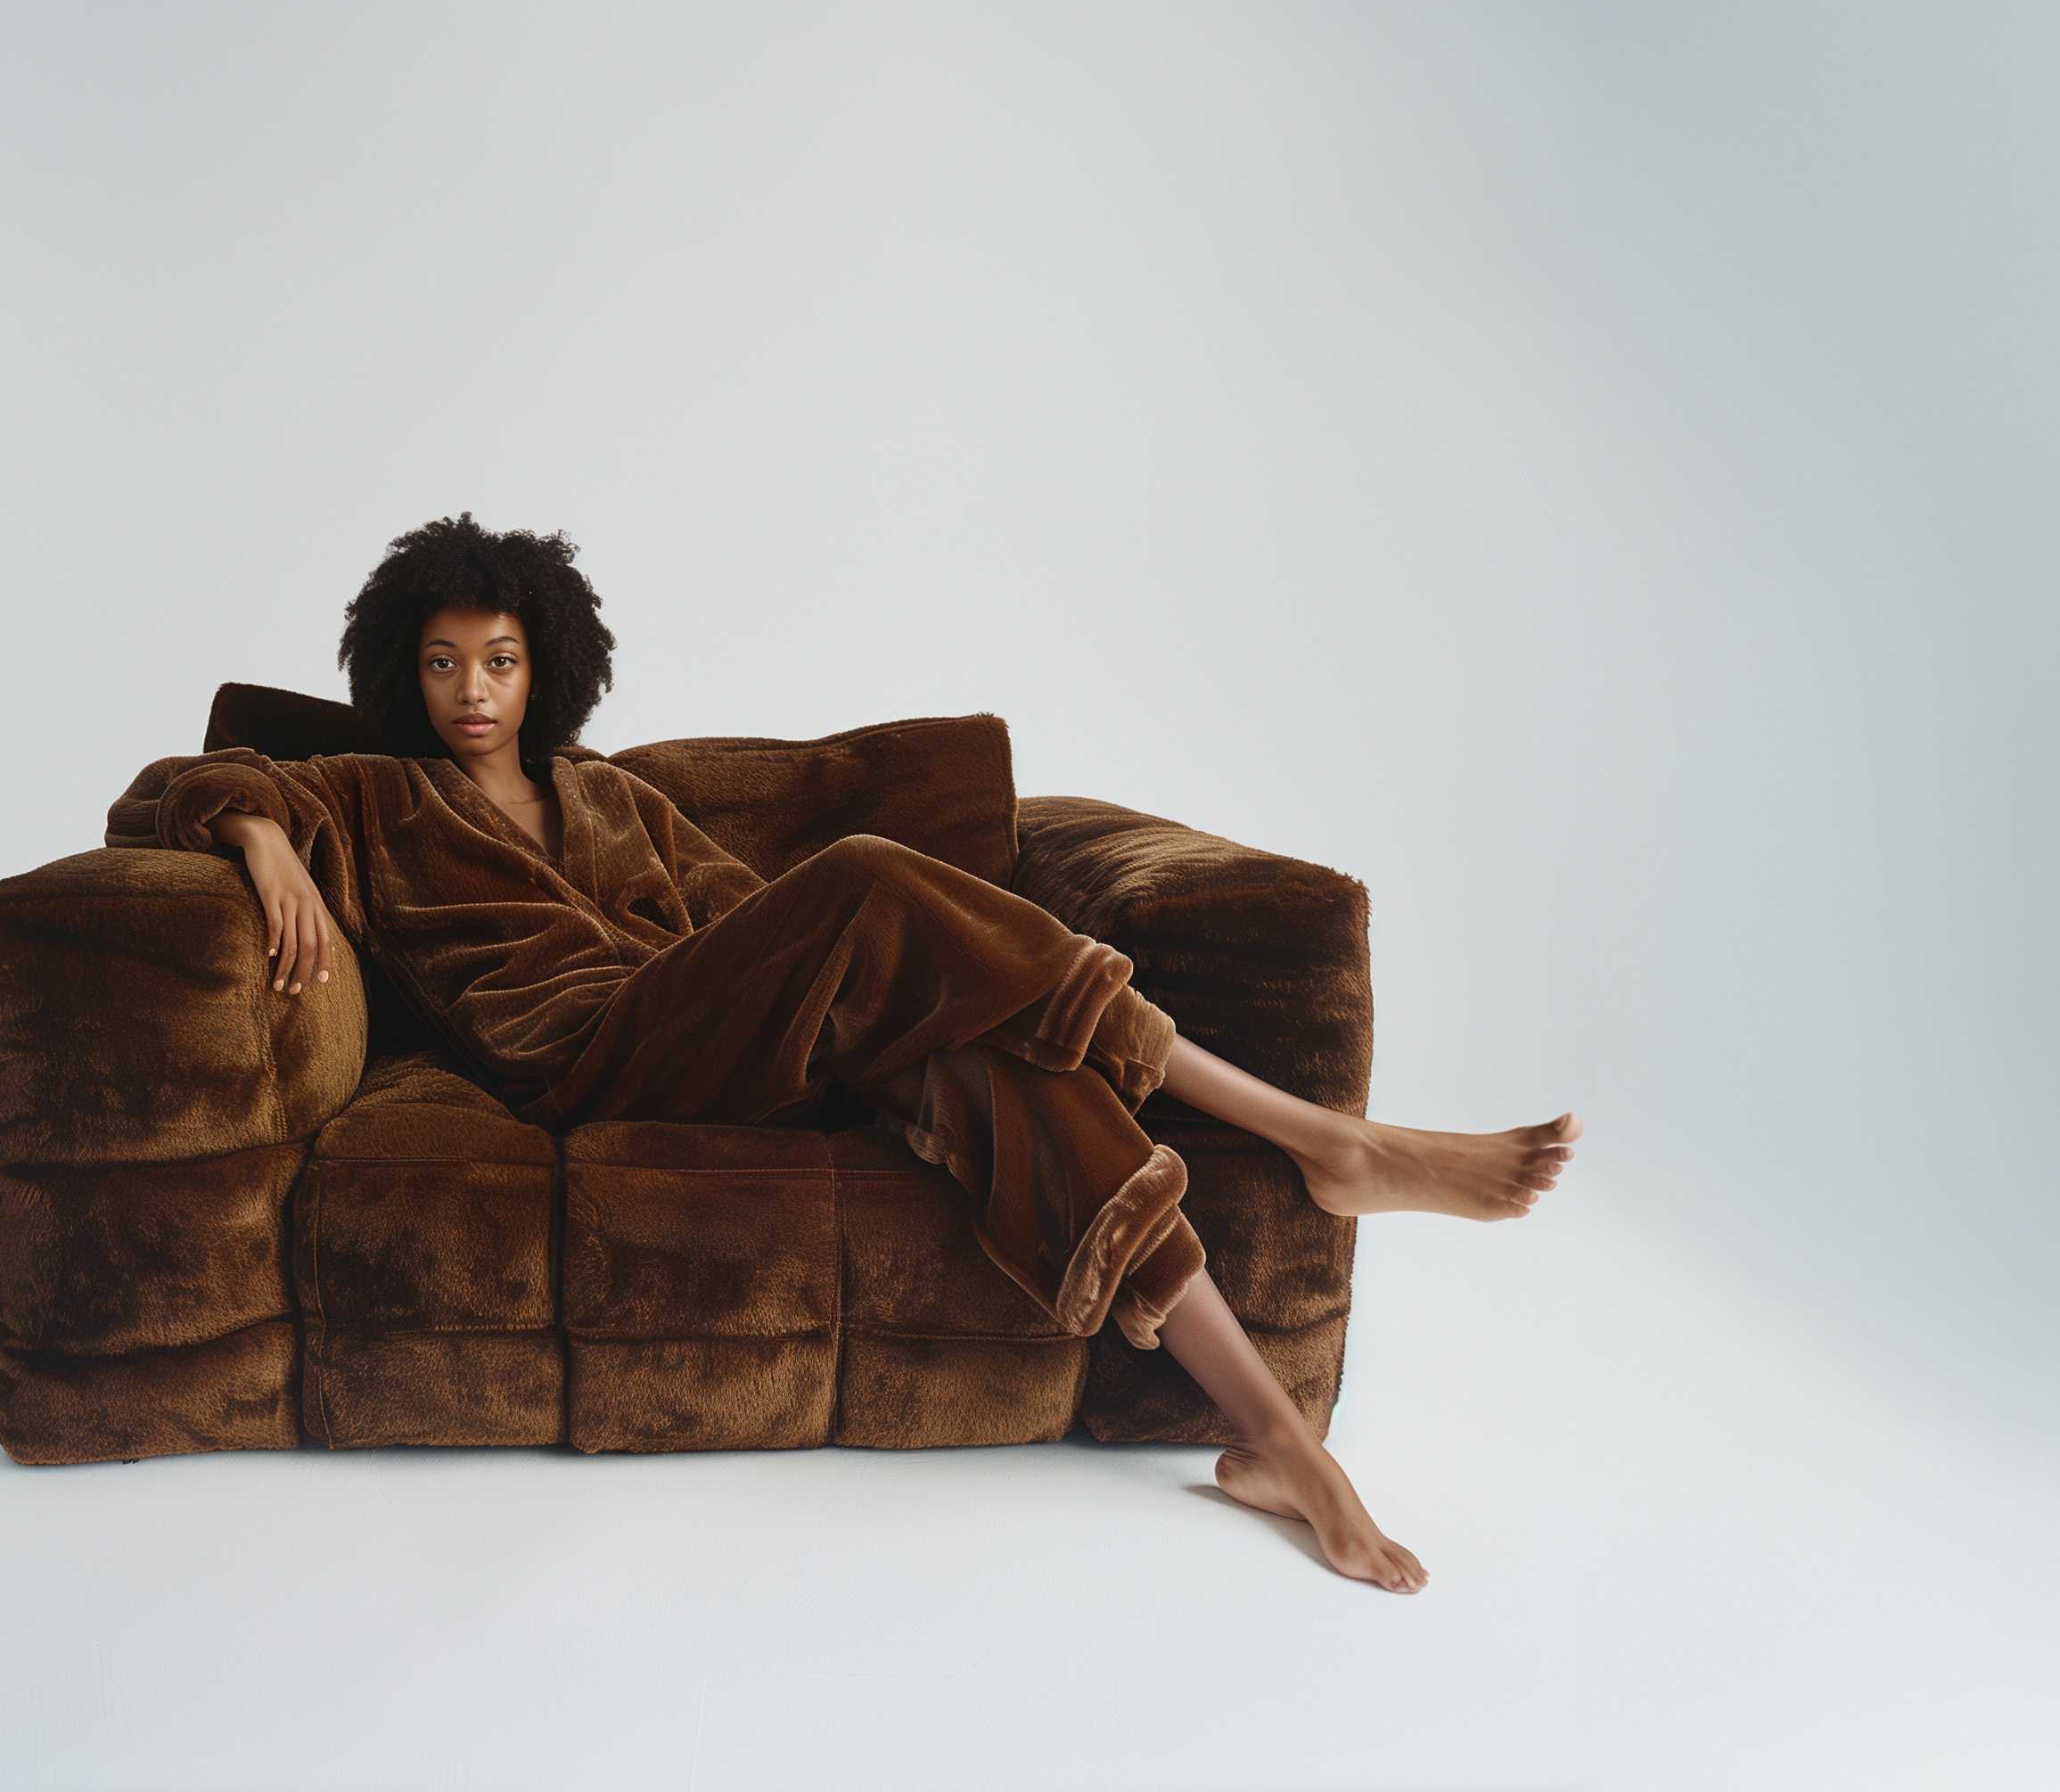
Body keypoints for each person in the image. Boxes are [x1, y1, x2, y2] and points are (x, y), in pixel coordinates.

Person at [108, 512, 1582, 1595]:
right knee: (869, 879)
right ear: (404, 673)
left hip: (718, 1032)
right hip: (590, 1059)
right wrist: (265, 840)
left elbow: (745, 923)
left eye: (499, 658)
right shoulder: (365, 795)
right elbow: (172, 783)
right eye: (442, 663)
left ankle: (1275, 1442)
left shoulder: (613, 801)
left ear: (544, 663)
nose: (473, 689)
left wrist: (891, 996)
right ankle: (1322, 1137)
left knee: (997, 1077)